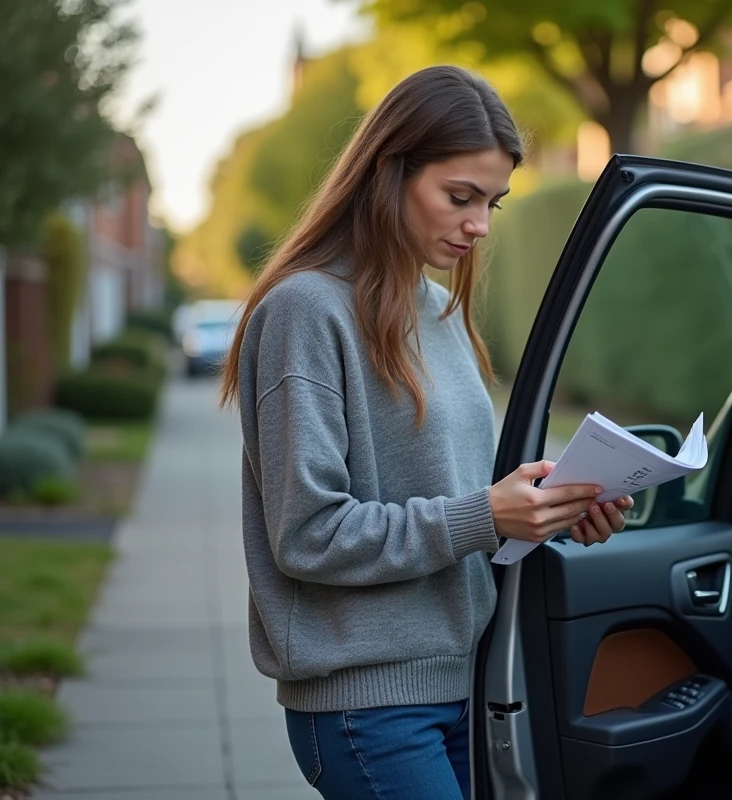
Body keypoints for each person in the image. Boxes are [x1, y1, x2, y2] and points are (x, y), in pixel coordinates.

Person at [218, 65, 633, 800]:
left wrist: (550, 510)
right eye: (459, 197)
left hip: (467, 683)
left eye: (493, 203)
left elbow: (462, 496)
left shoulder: (439, 311)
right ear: (389, 173)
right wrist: (485, 515)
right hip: (366, 704)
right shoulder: (306, 312)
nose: (480, 225)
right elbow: (308, 534)